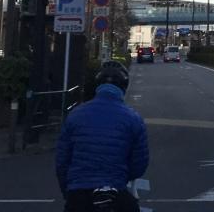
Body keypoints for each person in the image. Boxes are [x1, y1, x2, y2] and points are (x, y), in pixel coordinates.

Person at [55, 62, 149, 212]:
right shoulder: (133, 118)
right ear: (124, 87)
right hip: (115, 190)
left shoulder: (75, 115)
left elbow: (62, 160)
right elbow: (139, 164)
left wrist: (68, 191)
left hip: (79, 192)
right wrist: (121, 176)